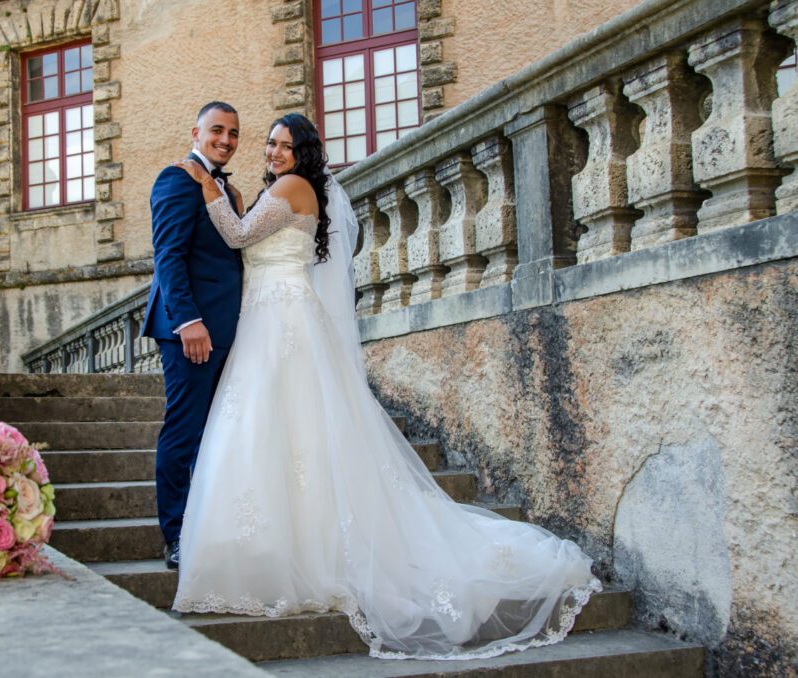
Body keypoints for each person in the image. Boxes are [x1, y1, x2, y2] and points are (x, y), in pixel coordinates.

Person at [168, 112, 602, 660]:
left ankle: (303, 555)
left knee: (281, 429)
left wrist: (206, 184)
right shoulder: (282, 187)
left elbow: (236, 235)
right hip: (267, 319)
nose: (273, 152)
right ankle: (278, 548)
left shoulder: (294, 186)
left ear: (303, 152)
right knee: (276, 435)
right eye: (271, 143)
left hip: (283, 324)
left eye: (284, 145)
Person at [142, 101, 245, 570]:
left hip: (228, 327)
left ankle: (208, 523)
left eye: (234, 133)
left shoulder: (225, 188)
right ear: (196, 132)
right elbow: (168, 255)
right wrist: (187, 322)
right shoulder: (176, 179)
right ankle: (177, 535)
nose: (225, 140)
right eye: (217, 130)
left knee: (214, 433)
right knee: (184, 430)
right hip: (194, 331)